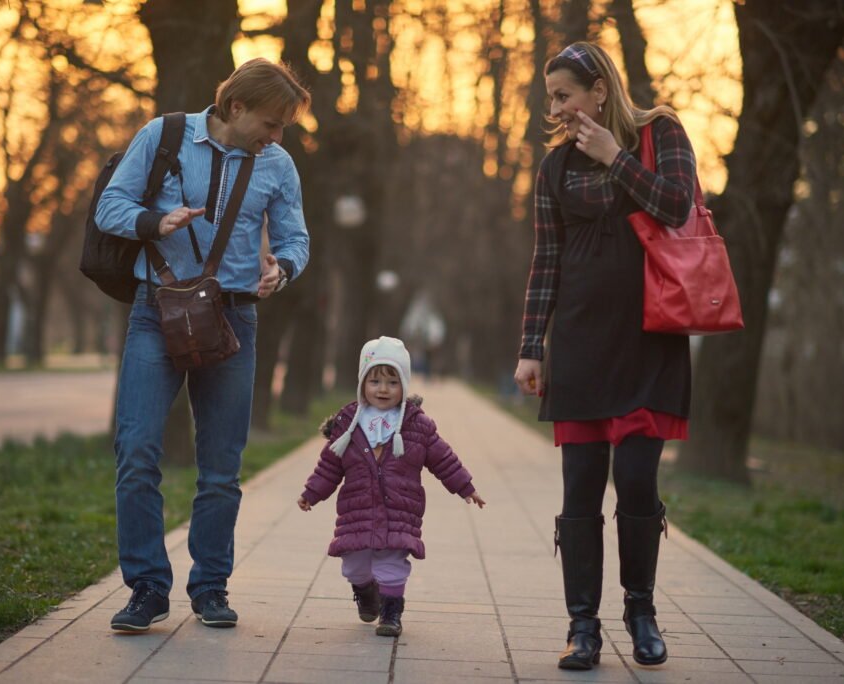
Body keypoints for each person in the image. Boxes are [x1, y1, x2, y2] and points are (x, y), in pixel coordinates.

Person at [95, 58, 311, 632]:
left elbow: (296, 237)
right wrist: (155, 222)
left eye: (282, 127)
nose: (276, 136)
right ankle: (147, 588)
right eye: (271, 123)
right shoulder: (163, 136)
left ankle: (210, 587)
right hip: (156, 311)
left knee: (221, 467)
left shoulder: (278, 164)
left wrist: (281, 268)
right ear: (235, 107)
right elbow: (109, 207)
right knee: (137, 449)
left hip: (235, 317)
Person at [513, 42, 697, 670]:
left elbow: (677, 205)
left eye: (565, 95)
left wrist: (615, 157)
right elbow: (546, 261)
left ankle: (641, 610)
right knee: (581, 487)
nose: (557, 109)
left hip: (651, 337)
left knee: (639, 479)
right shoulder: (554, 169)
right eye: (552, 99)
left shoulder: (660, 133)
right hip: (583, 343)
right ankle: (582, 626)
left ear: (599, 90)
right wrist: (531, 347)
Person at [297, 336, 485, 636]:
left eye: (392, 382)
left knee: (391, 563)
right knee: (354, 566)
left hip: (400, 508)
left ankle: (391, 613)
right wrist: (311, 493)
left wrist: (466, 486)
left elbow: (443, 458)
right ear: (362, 384)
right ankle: (366, 591)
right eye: (375, 381)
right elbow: (329, 465)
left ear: (405, 386)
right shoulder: (349, 424)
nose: (383, 389)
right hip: (357, 509)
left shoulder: (416, 425)